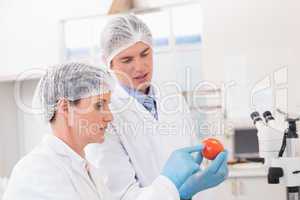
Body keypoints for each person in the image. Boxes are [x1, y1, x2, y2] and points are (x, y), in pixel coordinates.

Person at [3, 63, 209, 200]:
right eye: (99, 105)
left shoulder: (90, 170)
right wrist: (168, 182)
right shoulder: (38, 171)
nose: (109, 117)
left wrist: (178, 192)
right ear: (65, 108)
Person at [86, 14, 228, 200]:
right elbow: (122, 195)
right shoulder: (104, 114)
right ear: (109, 63)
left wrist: (203, 176)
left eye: (145, 54)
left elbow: (193, 156)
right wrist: (182, 193)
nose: (139, 67)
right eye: (127, 60)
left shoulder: (172, 98)